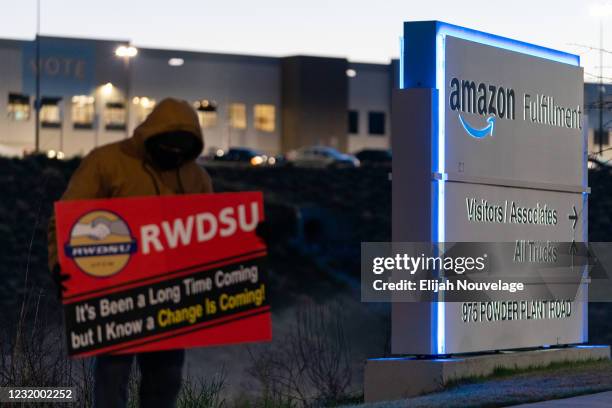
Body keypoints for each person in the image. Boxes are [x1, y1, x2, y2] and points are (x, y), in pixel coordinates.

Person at [47, 98, 213, 408]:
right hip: (115, 293)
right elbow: (68, 217)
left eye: (182, 151)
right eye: (169, 148)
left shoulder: (197, 178)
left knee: (166, 378)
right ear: (152, 138)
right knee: (112, 376)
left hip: (170, 296)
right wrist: (61, 264)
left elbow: (210, 234)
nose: (174, 156)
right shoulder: (107, 162)